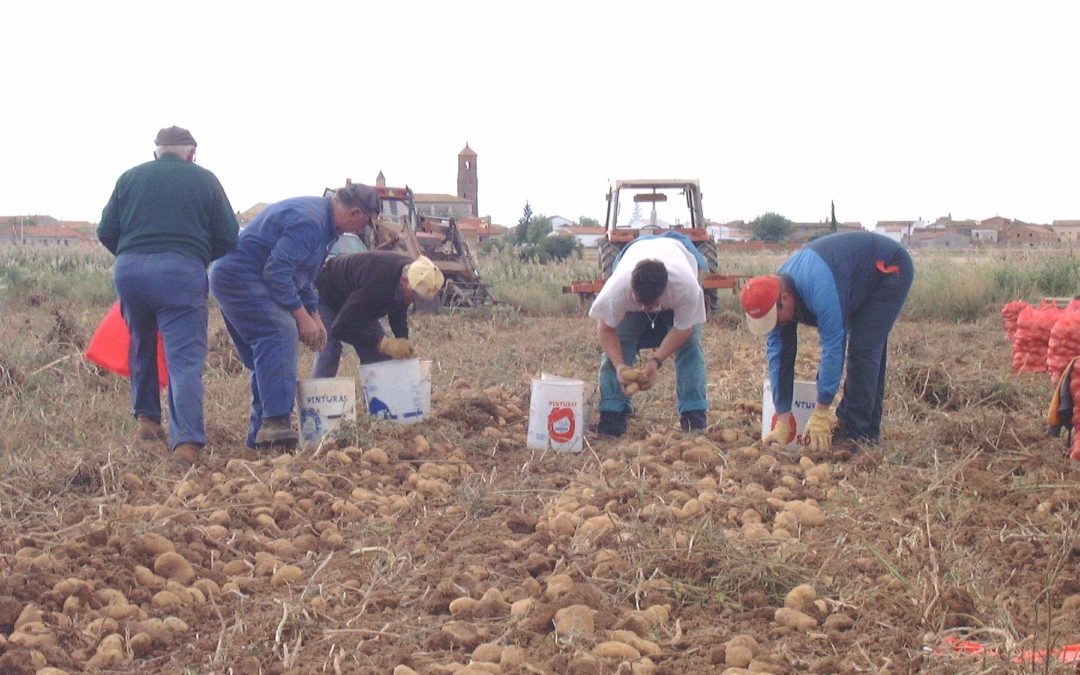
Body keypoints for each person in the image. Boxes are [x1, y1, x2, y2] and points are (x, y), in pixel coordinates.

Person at [97, 125, 239, 465]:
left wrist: (133, 256)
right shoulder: (205, 179)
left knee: (141, 344)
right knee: (184, 358)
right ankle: (186, 444)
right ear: (191, 153)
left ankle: (147, 423)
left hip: (129, 272)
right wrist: (196, 257)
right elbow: (229, 237)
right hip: (180, 272)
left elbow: (105, 231)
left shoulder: (129, 178)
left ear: (156, 152)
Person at [209, 183, 379, 450]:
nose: (363, 229)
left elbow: (304, 276)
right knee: (279, 332)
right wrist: (300, 317)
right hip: (239, 275)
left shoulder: (327, 226)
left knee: (264, 358)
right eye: (366, 223)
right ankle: (276, 423)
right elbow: (277, 271)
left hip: (247, 275)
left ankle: (260, 437)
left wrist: (314, 314)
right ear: (356, 212)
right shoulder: (310, 221)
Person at [740, 230, 914, 452]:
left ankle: (856, 432)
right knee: (864, 346)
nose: (773, 325)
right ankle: (867, 431)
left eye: (773, 318)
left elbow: (833, 347)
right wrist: (782, 415)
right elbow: (779, 356)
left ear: (785, 299)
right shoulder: (774, 295)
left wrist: (821, 411)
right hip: (849, 278)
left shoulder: (820, 289)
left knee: (863, 347)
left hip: (887, 270)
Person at [590, 234, 709, 437]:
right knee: (621, 343)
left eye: (651, 303)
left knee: (690, 348)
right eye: (640, 302)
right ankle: (612, 415)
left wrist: (655, 361)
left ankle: (693, 415)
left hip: (677, 254)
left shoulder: (686, 288)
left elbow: (683, 329)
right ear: (631, 289)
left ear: (664, 289)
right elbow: (606, 330)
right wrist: (620, 366)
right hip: (634, 253)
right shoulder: (617, 289)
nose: (645, 308)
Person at [311, 252, 445, 377]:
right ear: (405, 281)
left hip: (358, 300)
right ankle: (317, 398)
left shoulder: (413, 274)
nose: (412, 301)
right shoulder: (377, 284)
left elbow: (398, 309)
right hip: (327, 294)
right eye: (413, 297)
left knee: (379, 357)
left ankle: (376, 398)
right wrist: (383, 343)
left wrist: (404, 342)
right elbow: (340, 329)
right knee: (329, 350)